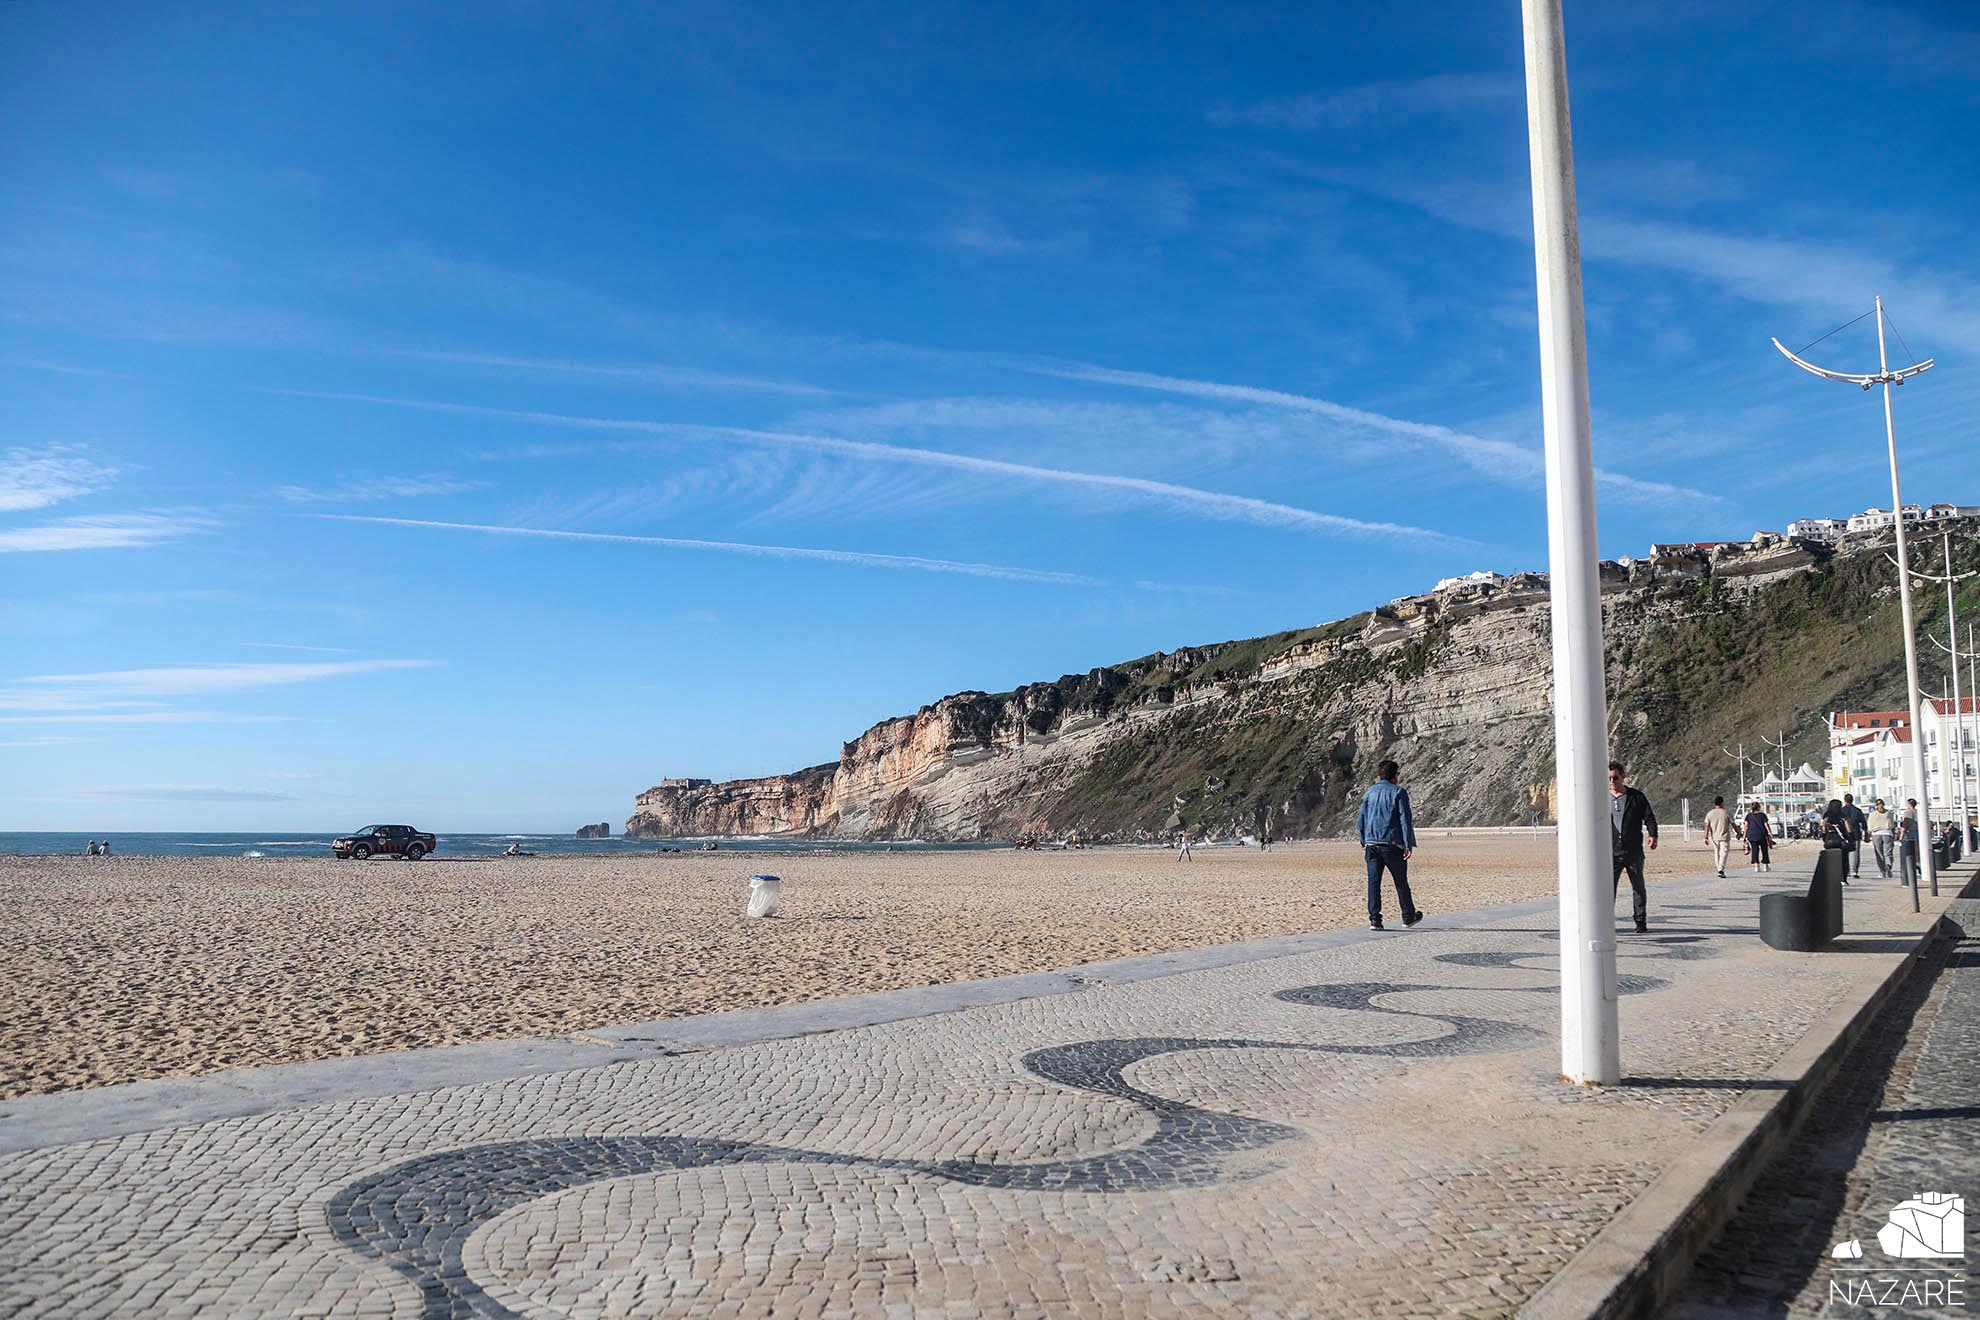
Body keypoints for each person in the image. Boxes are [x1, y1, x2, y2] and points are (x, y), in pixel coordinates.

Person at [1356, 759, 1424, 931]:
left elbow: (1361, 819)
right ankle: (1408, 916)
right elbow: (1405, 820)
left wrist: (1363, 840)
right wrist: (1408, 844)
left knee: (1374, 883)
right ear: (1395, 775)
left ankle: (1375, 919)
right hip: (1392, 844)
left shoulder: (1369, 792)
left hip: (1372, 844)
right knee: (1401, 882)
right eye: (1398, 774)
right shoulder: (1398, 792)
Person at [1608, 761, 1658, 933]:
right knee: (1608, 890)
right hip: (1610, 852)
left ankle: (1640, 921)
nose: (1612, 781)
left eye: (1615, 778)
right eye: (1609, 778)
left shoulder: (1636, 797)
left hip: (1633, 850)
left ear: (1623, 777)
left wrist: (1653, 835)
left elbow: (1649, 817)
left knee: (1638, 887)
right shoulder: (1600, 798)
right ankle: (1606, 923)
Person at [1818, 800, 1854, 883]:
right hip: (1841, 840)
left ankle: (1832, 878)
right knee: (1844, 860)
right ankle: (1843, 879)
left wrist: (1824, 838)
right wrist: (1851, 838)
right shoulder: (1843, 816)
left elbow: (1823, 829)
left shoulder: (1826, 816)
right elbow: (1848, 828)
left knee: (1830, 860)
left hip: (1829, 840)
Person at [1703, 795, 1733, 878]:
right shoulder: (1726, 812)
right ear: (1722, 803)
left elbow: (1707, 826)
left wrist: (1705, 837)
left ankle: (1719, 868)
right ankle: (1721, 869)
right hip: (1725, 837)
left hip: (1714, 837)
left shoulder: (1709, 813)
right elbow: (1733, 824)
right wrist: (1738, 833)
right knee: (1723, 853)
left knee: (1717, 853)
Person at [1866, 798, 1895, 879]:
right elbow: (1892, 824)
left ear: (1876, 805)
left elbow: (1869, 826)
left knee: (1879, 854)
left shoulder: (1872, 814)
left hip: (1876, 834)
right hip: (1887, 833)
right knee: (1888, 852)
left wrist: (1868, 835)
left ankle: (1883, 872)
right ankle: (1888, 865)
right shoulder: (1888, 813)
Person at [1841, 793, 1867, 879]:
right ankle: (1855, 871)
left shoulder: (1842, 810)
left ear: (1845, 800)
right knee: (1856, 853)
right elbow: (1863, 822)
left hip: (1844, 834)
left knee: (1845, 853)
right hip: (1856, 833)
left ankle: (1846, 870)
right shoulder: (1857, 810)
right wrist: (1866, 832)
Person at [1745, 800, 1774, 873]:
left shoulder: (1748, 816)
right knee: (1764, 850)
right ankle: (1765, 866)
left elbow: (1746, 826)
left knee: (1754, 850)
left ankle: (1756, 866)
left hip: (1751, 835)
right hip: (1762, 835)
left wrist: (1744, 836)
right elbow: (1766, 824)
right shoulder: (1762, 815)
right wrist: (1770, 833)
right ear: (1758, 807)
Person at [1898, 798, 1920, 887]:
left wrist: (1901, 836)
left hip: (1910, 833)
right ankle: (1918, 865)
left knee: (1909, 852)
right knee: (1917, 851)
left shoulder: (1907, 813)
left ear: (1909, 804)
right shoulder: (1919, 812)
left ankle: (1912, 868)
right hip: (1919, 832)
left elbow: (1905, 825)